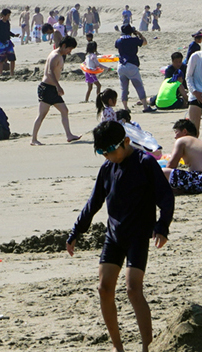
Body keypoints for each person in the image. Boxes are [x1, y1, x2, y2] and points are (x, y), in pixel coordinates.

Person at [67, 121, 173, 352]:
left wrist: (162, 226)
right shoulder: (107, 168)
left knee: (133, 289)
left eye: (110, 151)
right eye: (101, 152)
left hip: (137, 237)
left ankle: (147, 347)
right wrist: (76, 230)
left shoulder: (145, 163)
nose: (107, 156)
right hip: (114, 236)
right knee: (104, 289)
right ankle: (118, 347)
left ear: (125, 142)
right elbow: (93, 203)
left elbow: (166, 197)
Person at [31, 37, 81, 145]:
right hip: (46, 88)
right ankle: (33, 139)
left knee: (64, 110)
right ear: (64, 46)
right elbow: (50, 72)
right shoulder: (55, 56)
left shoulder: (60, 55)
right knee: (42, 114)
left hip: (52, 88)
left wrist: (56, 87)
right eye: (69, 49)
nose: (70, 51)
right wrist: (58, 86)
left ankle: (69, 135)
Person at [163, 119, 202, 194]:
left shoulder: (182, 140)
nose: (175, 137)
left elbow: (171, 165)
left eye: (176, 132)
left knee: (163, 171)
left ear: (184, 131)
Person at [114, 25, 148, 112]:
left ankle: (125, 107)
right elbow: (144, 42)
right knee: (139, 86)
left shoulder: (118, 41)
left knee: (124, 88)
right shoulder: (133, 40)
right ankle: (145, 106)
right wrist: (139, 34)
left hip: (121, 65)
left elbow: (117, 46)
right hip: (132, 64)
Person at [0, 9, 16, 76]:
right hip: (1, 43)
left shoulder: (8, 23)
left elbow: (8, 32)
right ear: (3, 15)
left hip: (8, 42)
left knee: (12, 58)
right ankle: (0, 73)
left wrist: (14, 35)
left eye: (9, 15)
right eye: (7, 15)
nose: (8, 17)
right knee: (1, 59)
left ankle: (12, 73)